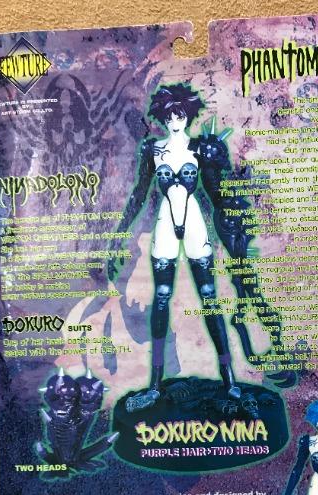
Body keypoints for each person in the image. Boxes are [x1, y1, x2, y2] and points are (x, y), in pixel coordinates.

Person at [114, 83, 241, 411]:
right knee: (161, 297)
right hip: (166, 223)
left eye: (179, 115)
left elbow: (216, 195)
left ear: (188, 114)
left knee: (209, 296)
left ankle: (229, 377)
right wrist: (120, 231)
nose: (174, 120)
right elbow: (139, 193)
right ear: (161, 116)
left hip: (195, 222)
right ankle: (155, 383)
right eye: (169, 115)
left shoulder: (201, 148)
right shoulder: (152, 150)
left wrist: (232, 224)